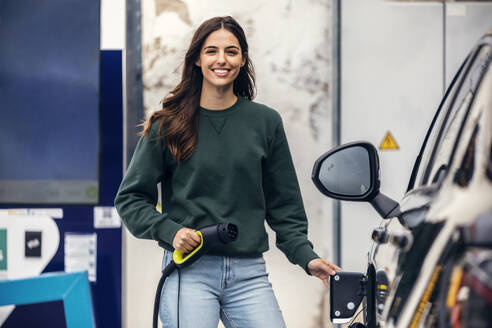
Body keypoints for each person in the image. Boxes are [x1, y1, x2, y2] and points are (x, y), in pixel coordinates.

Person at [115, 15, 341, 328]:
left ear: (243, 58)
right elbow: (130, 199)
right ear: (196, 58)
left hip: (249, 274)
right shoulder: (167, 125)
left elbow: (284, 207)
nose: (222, 59)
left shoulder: (265, 123)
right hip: (188, 272)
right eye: (211, 51)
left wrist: (307, 257)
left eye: (231, 51)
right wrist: (170, 231)